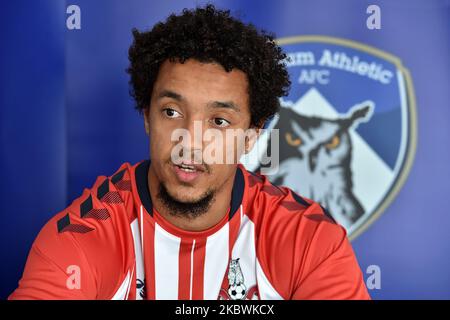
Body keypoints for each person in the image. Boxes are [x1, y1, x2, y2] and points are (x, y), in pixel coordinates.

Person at [10, 4, 369, 300]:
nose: (190, 142)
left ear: (251, 137)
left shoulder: (311, 243)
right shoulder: (78, 240)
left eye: (219, 120)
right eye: (172, 112)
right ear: (147, 117)